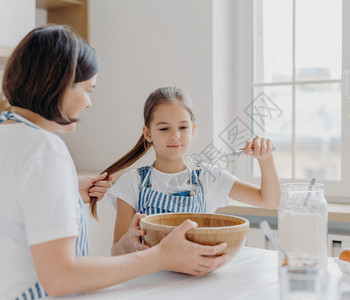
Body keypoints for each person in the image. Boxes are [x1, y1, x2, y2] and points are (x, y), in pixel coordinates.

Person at [0, 25, 227, 299]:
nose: (88, 103)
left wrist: (67, 191)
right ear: (60, 84)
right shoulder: (46, 150)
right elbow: (60, 277)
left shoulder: (9, 134)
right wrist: (161, 257)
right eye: (88, 90)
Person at [98, 86, 281, 255]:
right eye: (163, 128)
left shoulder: (209, 178)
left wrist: (266, 160)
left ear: (193, 130)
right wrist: (127, 244)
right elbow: (116, 252)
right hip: (150, 282)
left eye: (183, 127)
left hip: (197, 280)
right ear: (148, 133)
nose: (175, 136)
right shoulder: (132, 183)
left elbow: (269, 200)